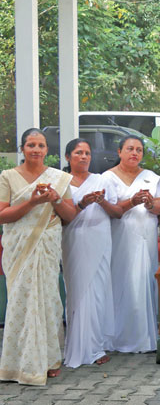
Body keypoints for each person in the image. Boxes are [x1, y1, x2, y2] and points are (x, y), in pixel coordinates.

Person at [0, 129, 76, 385]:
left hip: (47, 245)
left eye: (41, 145)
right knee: (21, 302)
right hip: (18, 246)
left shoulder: (59, 179)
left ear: (47, 150)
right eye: (31, 145)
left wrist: (54, 199)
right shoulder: (8, 177)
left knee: (48, 300)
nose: (36, 149)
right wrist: (32, 203)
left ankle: (49, 359)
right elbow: (2, 215)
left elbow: (70, 215)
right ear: (22, 149)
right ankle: (15, 364)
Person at [102, 135, 160, 353]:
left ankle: (142, 338)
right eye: (130, 149)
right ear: (119, 152)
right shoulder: (107, 178)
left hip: (145, 235)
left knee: (142, 281)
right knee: (121, 282)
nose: (134, 153)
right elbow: (108, 209)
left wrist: (150, 203)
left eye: (139, 150)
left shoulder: (150, 177)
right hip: (120, 236)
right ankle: (117, 337)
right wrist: (132, 201)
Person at [61, 138, 122, 368]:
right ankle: (76, 346)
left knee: (97, 293)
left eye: (87, 153)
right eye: (78, 153)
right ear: (68, 157)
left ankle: (96, 346)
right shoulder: (62, 182)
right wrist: (83, 204)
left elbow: (117, 212)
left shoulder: (102, 179)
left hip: (99, 237)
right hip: (74, 240)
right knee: (77, 292)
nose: (84, 157)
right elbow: (61, 217)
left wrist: (101, 201)